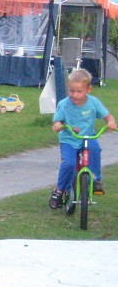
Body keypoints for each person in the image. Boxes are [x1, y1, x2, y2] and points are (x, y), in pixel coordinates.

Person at [48, 68, 116, 209]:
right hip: (69, 139)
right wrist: (57, 124)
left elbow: (108, 116)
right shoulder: (64, 104)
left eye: (79, 91)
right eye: (72, 91)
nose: (75, 95)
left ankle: (96, 179)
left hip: (88, 137)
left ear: (88, 90)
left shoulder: (94, 102)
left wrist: (110, 122)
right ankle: (59, 191)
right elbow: (57, 121)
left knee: (95, 150)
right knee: (68, 164)